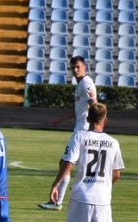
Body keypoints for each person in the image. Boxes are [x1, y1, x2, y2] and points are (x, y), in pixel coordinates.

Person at [48, 103, 124, 222]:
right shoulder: (113, 142)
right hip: (102, 197)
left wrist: (55, 185)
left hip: (81, 194)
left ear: (87, 119)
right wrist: (105, 186)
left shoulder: (79, 137)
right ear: (105, 120)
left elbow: (67, 164)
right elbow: (116, 174)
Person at [39, 55, 97, 210]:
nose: (75, 70)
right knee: (68, 164)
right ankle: (62, 201)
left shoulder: (85, 83)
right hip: (81, 129)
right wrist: (60, 118)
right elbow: (77, 110)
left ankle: (56, 201)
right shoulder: (80, 85)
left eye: (78, 67)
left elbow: (94, 106)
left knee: (66, 163)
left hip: (82, 132)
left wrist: (94, 128)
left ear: (84, 67)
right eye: (73, 67)